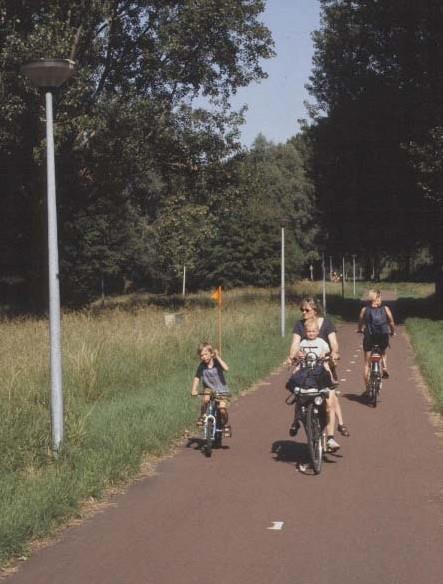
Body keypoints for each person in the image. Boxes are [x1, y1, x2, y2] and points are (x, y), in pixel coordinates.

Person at [287, 297, 350, 450]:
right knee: (298, 392)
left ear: (315, 311)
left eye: (306, 310)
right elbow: (295, 345)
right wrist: (294, 355)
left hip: (324, 367)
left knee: (329, 403)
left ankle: (330, 438)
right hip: (306, 368)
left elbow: (333, 343)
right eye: (301, 310)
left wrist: (334, 353)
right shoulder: (299, 326)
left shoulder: (327, 324)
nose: (303, 313)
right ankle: (297, 420)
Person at [190, 342, 231, 437]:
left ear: (211, 353)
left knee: (222, 409)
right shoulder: (201, 366)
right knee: (206, 399)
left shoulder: (216, 362)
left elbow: (226, 368)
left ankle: (225, 423)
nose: (203, 357)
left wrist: (218, 357)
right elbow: (197, 378)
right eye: (201, 355)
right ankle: (202, 416)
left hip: (222, 389)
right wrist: (194, 389)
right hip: (209, 389)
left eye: (205, 354)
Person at [357, 289, 395, 390]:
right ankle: (384, 367)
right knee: (383, 351)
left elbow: (360, 322)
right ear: (377, 297)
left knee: (366, 364)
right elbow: (391, 322)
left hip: (369, 337)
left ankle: (367, 389)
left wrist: (359, 329)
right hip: (382, 336)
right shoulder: (386, 309)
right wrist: (392, 331)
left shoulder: (364, 310)